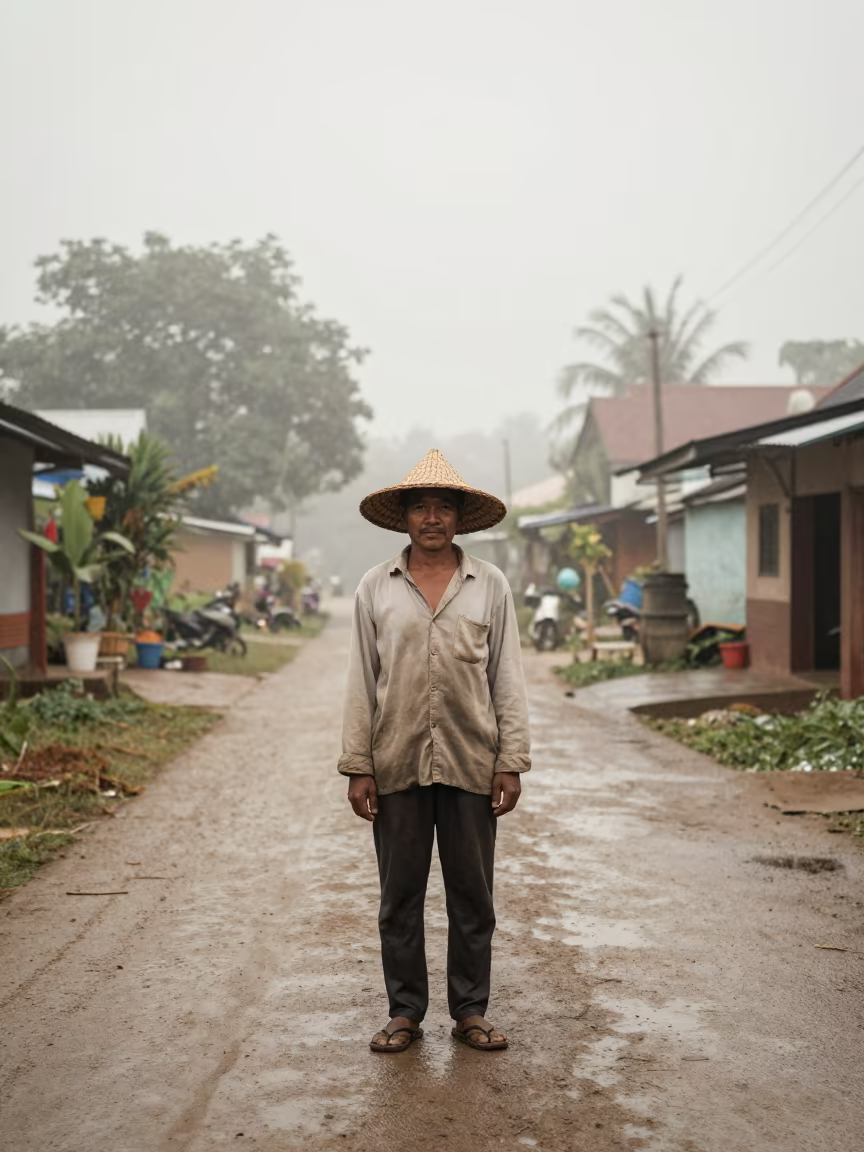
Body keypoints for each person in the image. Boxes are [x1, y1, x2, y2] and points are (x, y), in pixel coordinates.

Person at [339, 449, 531, 1053]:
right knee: (400, 896)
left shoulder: (489, 585)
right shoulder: (376, 587)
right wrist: (357, 766)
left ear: (458, 518)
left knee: (473, 894)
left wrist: (511, 760)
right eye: (419, 507)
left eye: (442, 507)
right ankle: (404, 1012)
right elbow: (359, 680)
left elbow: (508, 676)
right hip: (396, 763)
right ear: (403, 518)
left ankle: (471, 1010)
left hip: (472, 763)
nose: (430, 518)